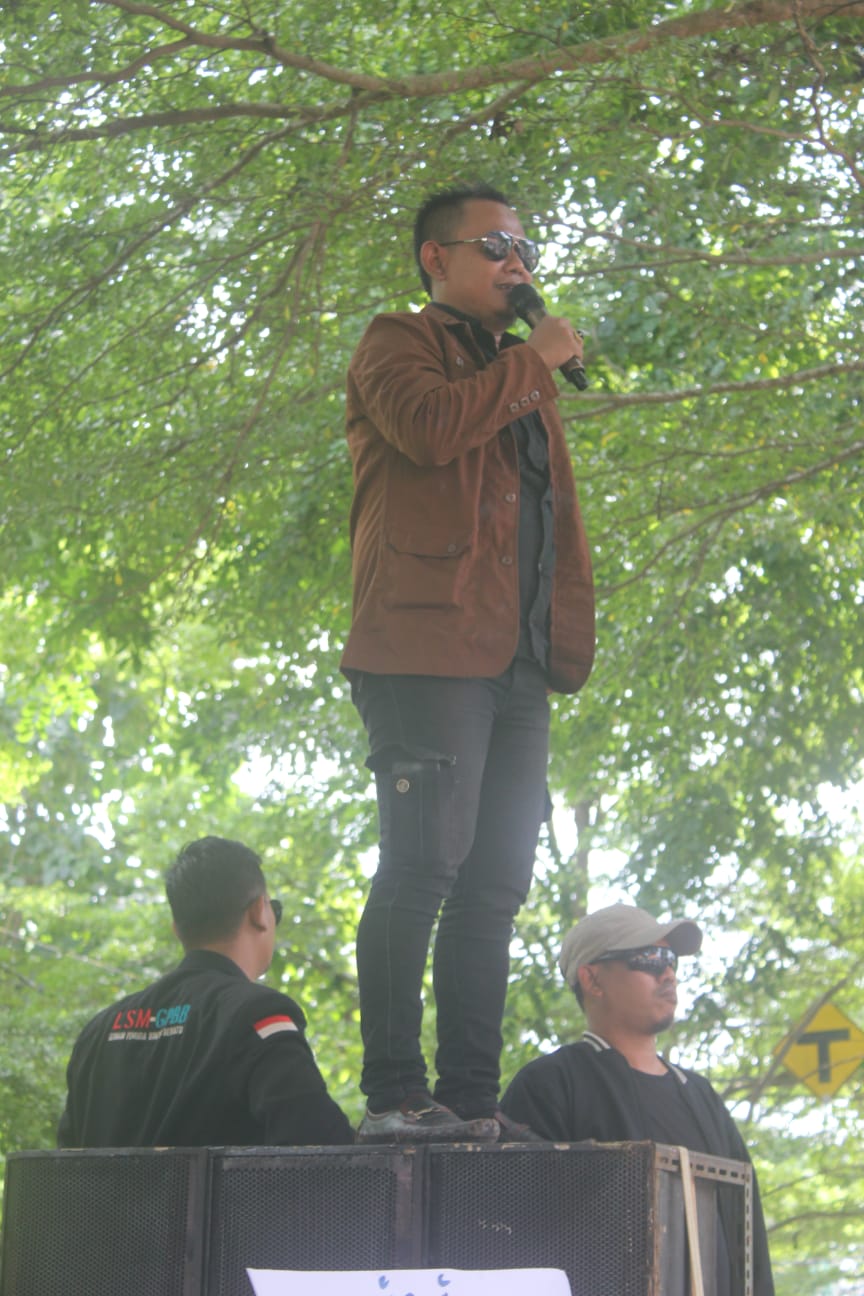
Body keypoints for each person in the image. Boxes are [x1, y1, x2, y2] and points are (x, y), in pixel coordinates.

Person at [341, 182, 595, 1142]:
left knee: (495, 887)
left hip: (518, 660)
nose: (515, 261)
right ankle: (394, 1096)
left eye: (523, 247)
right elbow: (430, 429)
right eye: (494, 245)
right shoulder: (395, 342)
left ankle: (474, 1104)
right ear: (435, 258)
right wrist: (535, 360)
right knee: (423, 866)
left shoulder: (516, 373)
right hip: (427, 647)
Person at [500, 903, 775, 1295]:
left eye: (671, 960)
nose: (668, 973)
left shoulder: (701, 1096)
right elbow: (515, 1239)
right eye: (649, 958)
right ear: (593, 979)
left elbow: (748, 1238)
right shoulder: (549, 1085)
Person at [58, 835, 354, 1148]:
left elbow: (64, 1162)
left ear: (177, 929)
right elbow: (325, 1151)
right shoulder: (261, 1017)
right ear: (258, 911)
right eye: (273, 909)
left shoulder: (98, 1033)